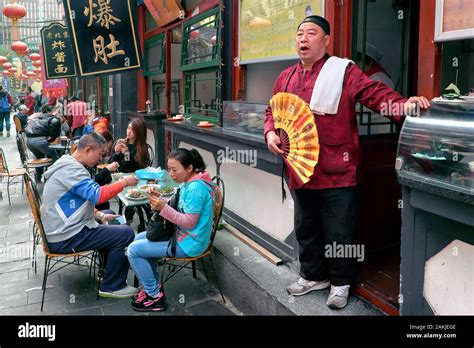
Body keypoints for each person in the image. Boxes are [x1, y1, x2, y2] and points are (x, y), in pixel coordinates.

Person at [264, 15, 430, 309]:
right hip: (299, 168)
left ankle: (341, 282)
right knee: (306, 227)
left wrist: (405, 106)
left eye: (311, 33)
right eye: (299, 33)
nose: (303, 38)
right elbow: (273, 111)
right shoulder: (285, 77)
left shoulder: (343, 71)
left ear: (326, 40)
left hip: (337, 168)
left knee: (339, 229)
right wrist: (269, 134)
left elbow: (375, 94)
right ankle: (313, 276)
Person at [41, 132, 140, 298]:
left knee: (108, 214)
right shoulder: (72, 170)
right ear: (88, 149)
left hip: (59, 229)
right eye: (100, 154)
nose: (100, 160)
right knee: (126, 233)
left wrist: (100, 215)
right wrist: (124, 182)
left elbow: (76, 201)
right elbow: (98, 195)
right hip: (65, 237)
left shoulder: (67, 162)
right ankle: (112, 286)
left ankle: (107, 271)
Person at [127, 148, 215, 312]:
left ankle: (154, 296)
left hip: (191, 244)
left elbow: (188, 222)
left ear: (189, 168)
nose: (171, 173)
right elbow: (180, 204)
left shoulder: (196, 188)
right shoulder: (189, 182)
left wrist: (163, 208)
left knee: (133, 250)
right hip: (183, 236)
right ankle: (153, 287)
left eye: (175, 169)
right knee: (139, 237)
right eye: (169, 169)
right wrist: (161, 199)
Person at [25, 105, 61, 182]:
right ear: (50, 111)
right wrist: (52, 138)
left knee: (39, 158)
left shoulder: (36, 118)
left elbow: (27, 128)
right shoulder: (52, 118)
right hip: (40, 141)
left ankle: (38, 177)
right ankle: (51, 177)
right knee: (54, 157)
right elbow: (54, 131)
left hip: (29, 141)